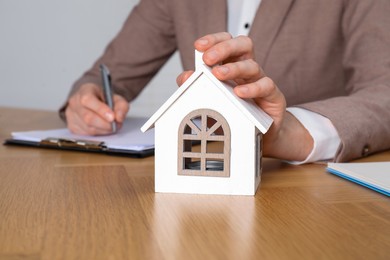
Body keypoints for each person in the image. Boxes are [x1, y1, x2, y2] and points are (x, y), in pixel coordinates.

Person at [60, 0, 390, 163]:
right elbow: (105, 76)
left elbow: (385, 91)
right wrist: (87, 102)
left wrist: (293, 131)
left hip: (307, 192)